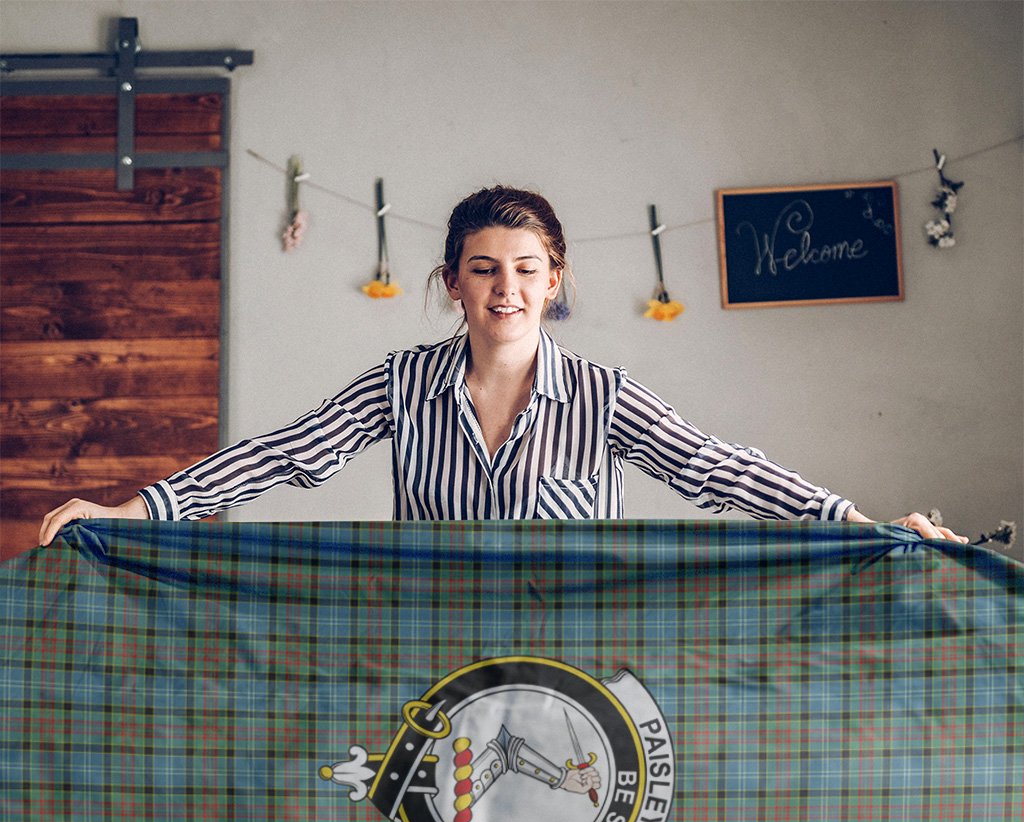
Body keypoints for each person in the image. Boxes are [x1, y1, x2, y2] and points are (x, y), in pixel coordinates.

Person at [38, 186, 968, 546]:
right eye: (484, 270)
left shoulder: (604, 397)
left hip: (577, 665)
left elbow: (719, 468)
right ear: (453, 283)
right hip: (430, 657)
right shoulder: (401, 382)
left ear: (555, 281)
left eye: (527, 271)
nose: (506, 289)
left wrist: (859, 522)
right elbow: (284, 455)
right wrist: (135, 510)